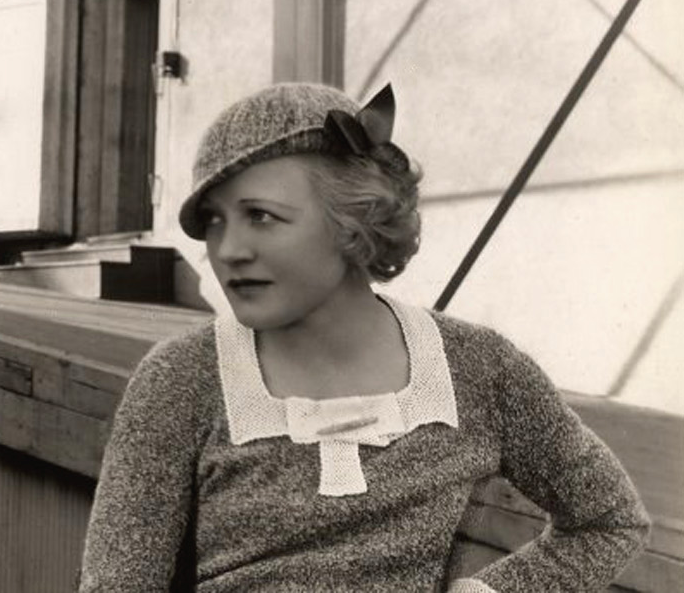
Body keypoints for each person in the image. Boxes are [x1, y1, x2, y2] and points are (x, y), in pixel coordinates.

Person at [78, 81, 649, 591]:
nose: (228, 251)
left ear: (353, 219)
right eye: (213, 221)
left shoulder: (478, 367)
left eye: (261, 216)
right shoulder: (181, 378)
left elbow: (609, 520)